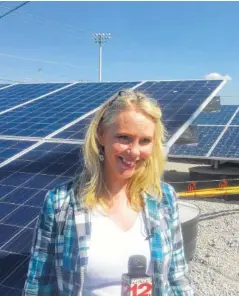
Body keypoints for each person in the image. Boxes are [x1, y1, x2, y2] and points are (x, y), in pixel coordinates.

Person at [23, 89, 194, 295]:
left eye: (145, 141)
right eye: (124, 137)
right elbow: (39, 284)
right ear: (101, 135)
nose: (134, 151)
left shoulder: (163, 198)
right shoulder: (61, 203)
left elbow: (177, 278)